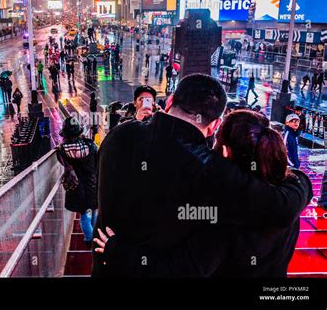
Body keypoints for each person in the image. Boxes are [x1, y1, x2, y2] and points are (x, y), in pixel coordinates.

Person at [93, 74, 312, 277]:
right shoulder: (212, 171)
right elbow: (281, 206)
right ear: (214, 125)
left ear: (169, 102)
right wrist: (300, 181)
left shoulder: (117, 135)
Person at [57, 117, 98, 247]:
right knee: (95, 209)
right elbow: (97, 162)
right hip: (92, 183)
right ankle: (96, 237)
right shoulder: (90, 145)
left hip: (76, 187)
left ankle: (88, 239)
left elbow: (64, 164)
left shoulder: (62, 150)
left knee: (84, 213)